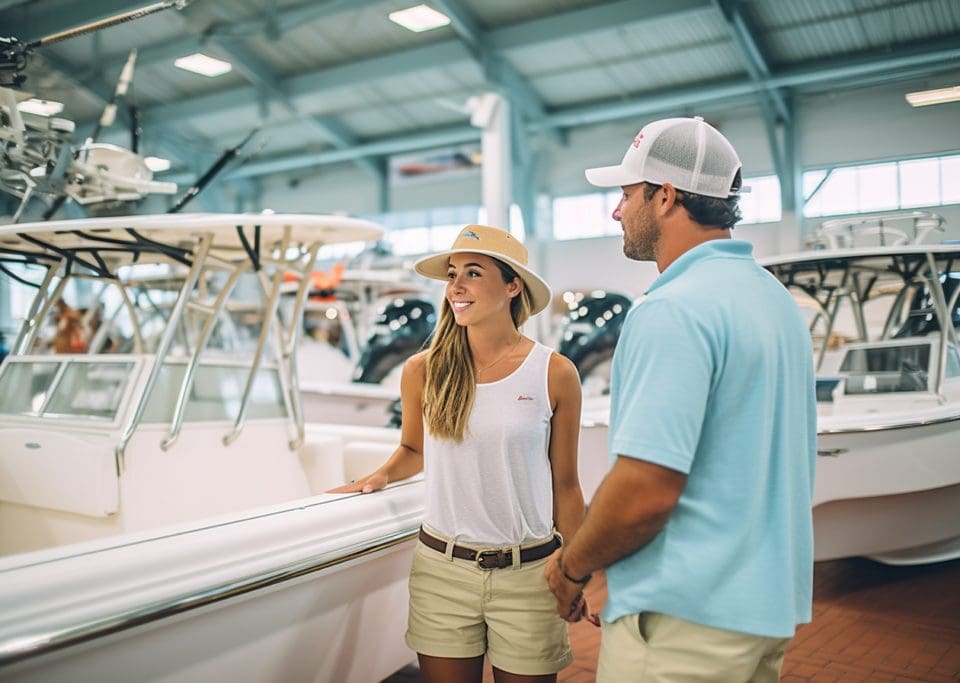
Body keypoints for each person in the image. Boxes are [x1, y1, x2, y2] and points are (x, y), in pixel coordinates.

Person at [544, 116, 817, 682]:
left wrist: (571, 569)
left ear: (664, 196)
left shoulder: (671, 308)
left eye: (625, 194)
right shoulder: (774, 302)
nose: (617, 211)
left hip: (682, 623)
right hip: (763, 613)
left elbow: (645, 489)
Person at [330, 224, 586, 683]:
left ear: (513, 286)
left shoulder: (554, 373)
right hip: (441, 571)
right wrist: (380, 476)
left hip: (528, 572)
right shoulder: (423, 370)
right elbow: (413, 448)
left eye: (473, 273)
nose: (456, 287)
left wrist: (577, 570)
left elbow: (565, 483)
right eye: (451, 275)